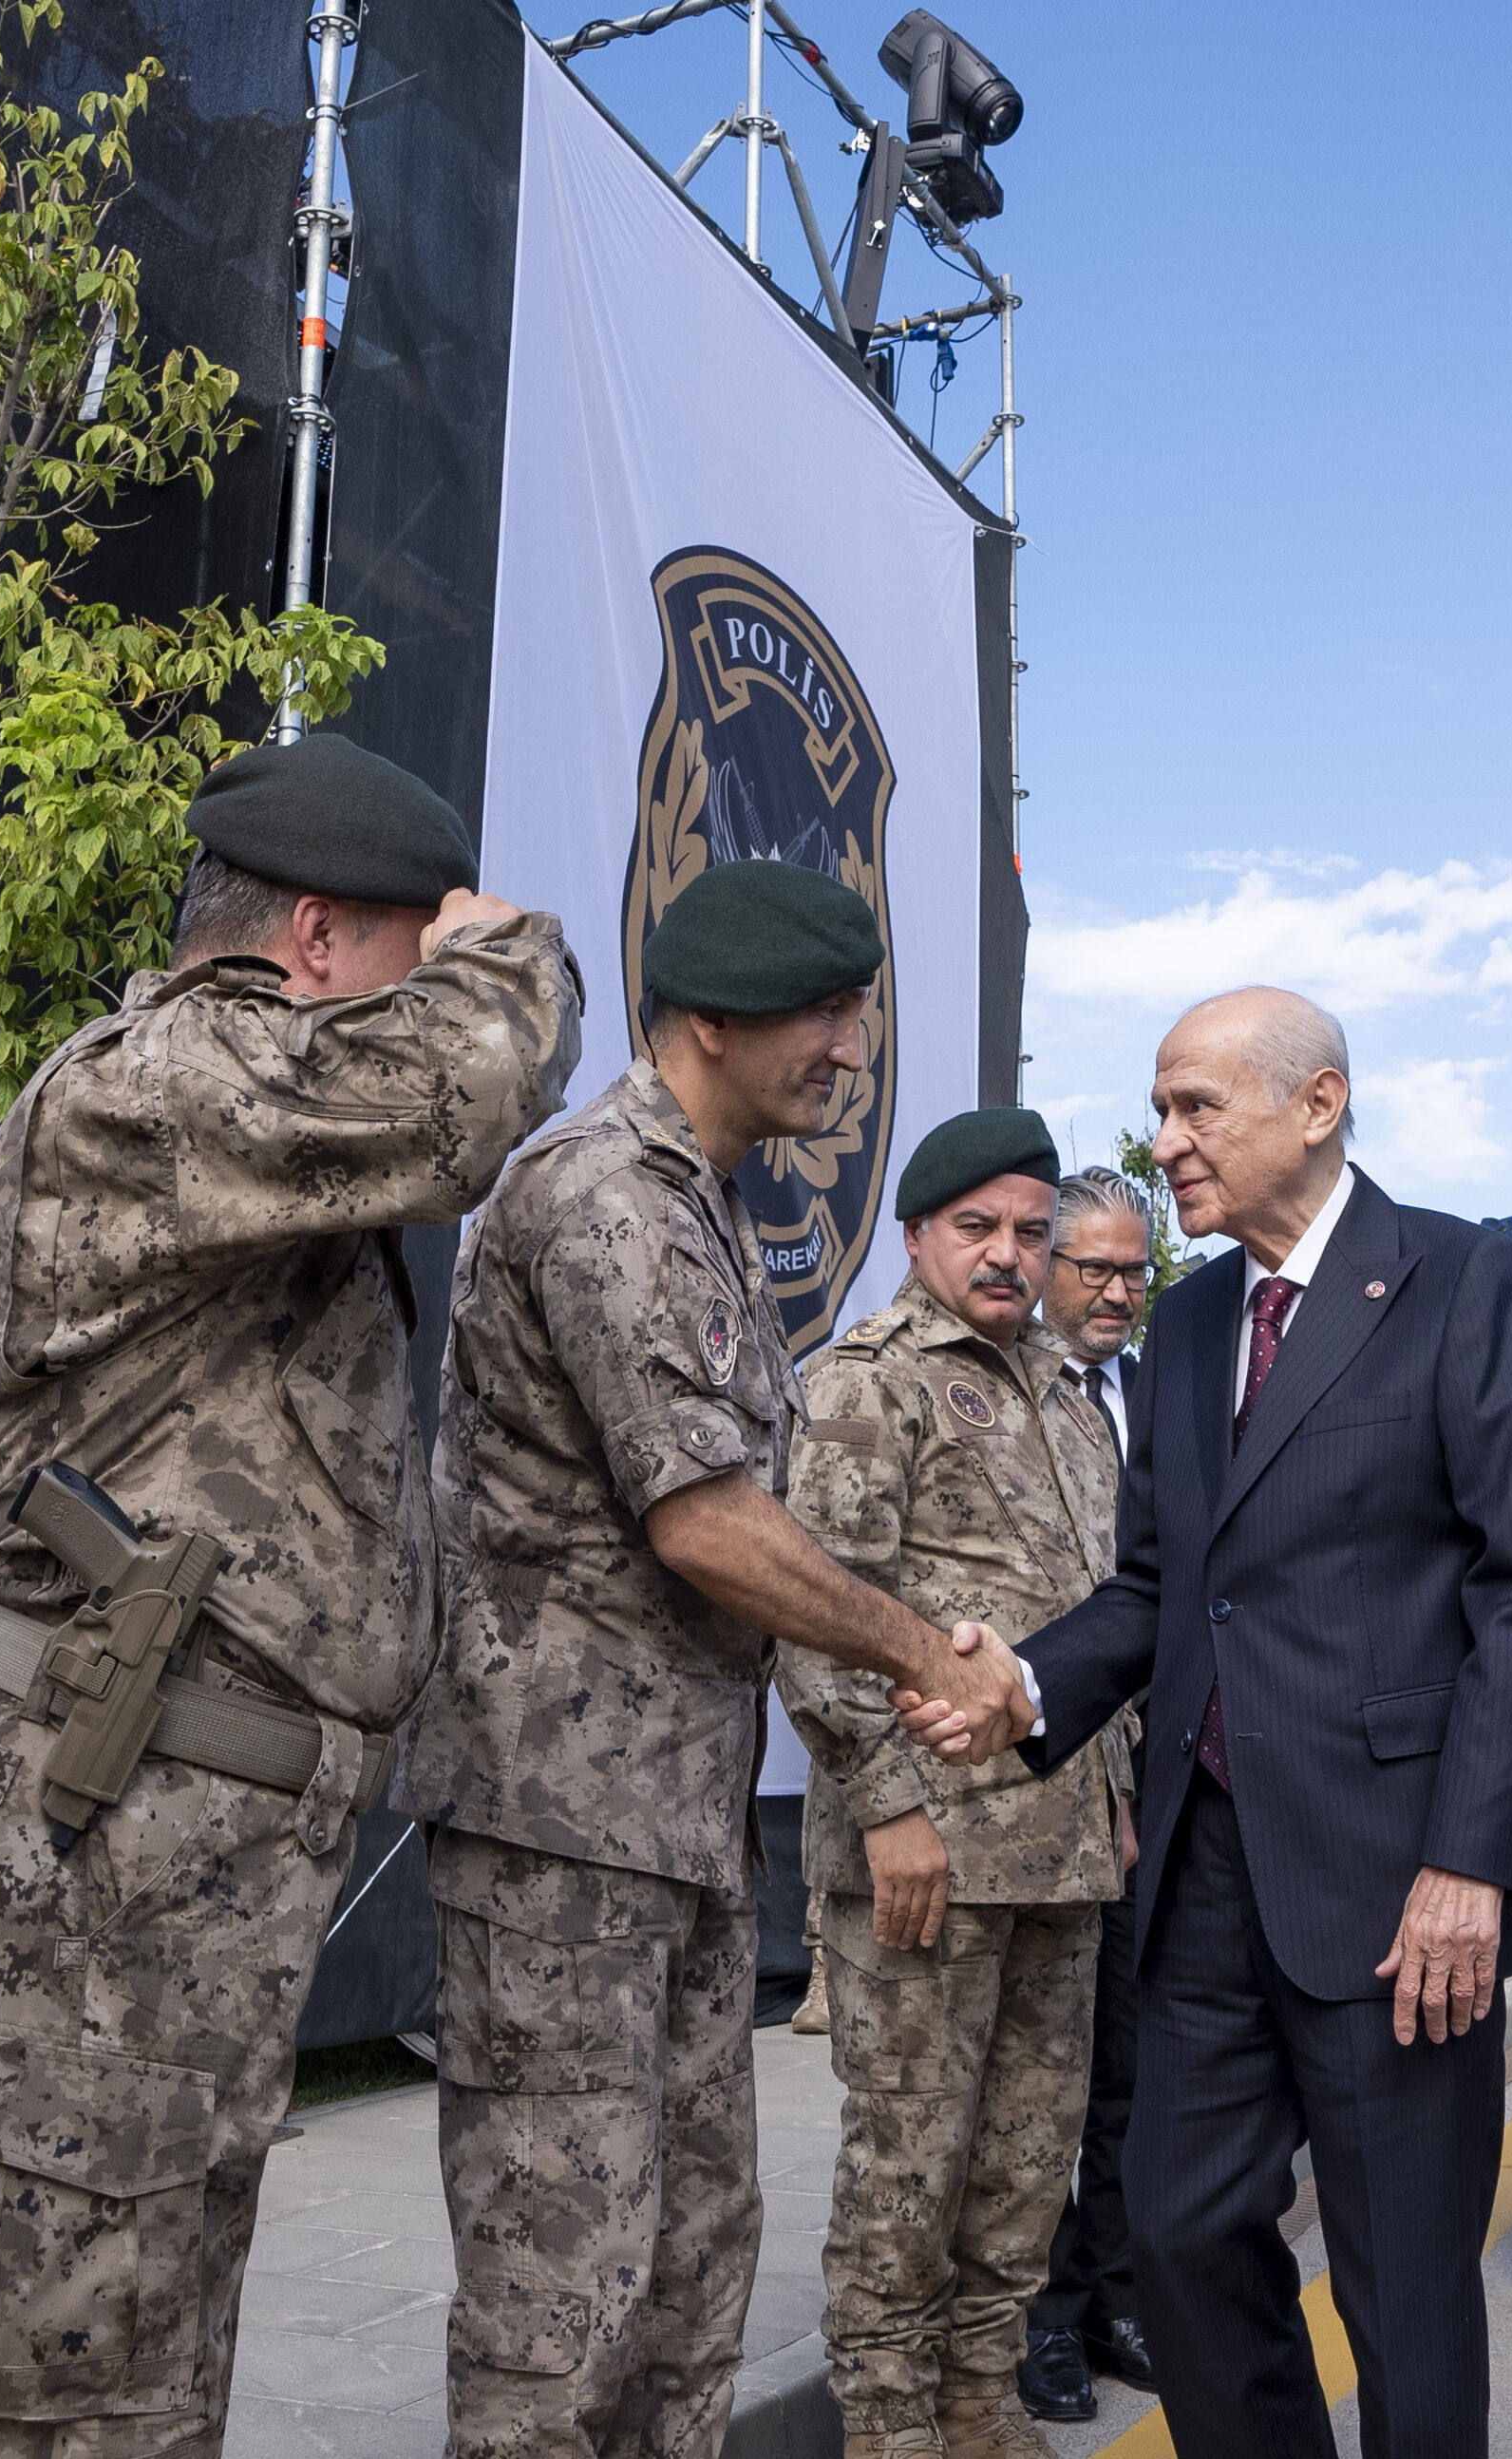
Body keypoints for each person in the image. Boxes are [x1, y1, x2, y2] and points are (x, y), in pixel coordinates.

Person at [0, 734, 576, 2455]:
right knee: (44, 2397)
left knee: (136, 2379)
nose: (425, 991)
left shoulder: (235, 1125)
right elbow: (460, 1091)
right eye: (405, 957)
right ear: (314, 939)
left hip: (168, 1854)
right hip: (86, 1841)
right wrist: (508, 943)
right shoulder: (155, 1078)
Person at [419, 858, 1036, 2459]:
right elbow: (705, 1520)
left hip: (663, 1824)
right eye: (822, 1008)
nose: (849, 1042)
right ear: (710, 1015)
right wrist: (922, 1652)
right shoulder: (606, 1194)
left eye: (854, 1004)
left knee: (688, 2278)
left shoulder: (695, 1199)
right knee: (561, 2307)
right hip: (560, 1828)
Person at [927, 985, 1512, 2459]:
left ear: (1317, 1103)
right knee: (1175, 2233)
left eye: (1192, 1107)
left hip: (1396, 1877)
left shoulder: (1466, 1283)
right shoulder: (1193, 1314)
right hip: (1207, 1874)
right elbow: (1164, 1588)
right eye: (1159, 1109)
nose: (1162, 1142)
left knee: (1401, 2283)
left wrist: (1469, 1861)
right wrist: (1024, 1681)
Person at [784, 1111, 1132, 2459]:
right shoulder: (869, 1380)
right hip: (926, 1854)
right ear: (918, 1233)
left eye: (1028, 1232)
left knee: (1022, 2165)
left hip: (1062, 1854)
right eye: (976, 1228)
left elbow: (1099, 1615)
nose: (1006, 1255)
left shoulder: (1065, 1392)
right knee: (908, 2164)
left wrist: (1120, 1795)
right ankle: (887, 2424)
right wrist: (887, 1809)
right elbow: (815, 1613)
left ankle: (982, 2405)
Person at [1023, 1167, 1164, 2424]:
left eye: (1136, 1270)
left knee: (1129, 2064)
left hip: (1143, 1787)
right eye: (1097, 1269)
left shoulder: (1160, 1395)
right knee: (1036, 2079)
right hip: (1026, 1786)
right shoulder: (1000, 1392)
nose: (1119, 1292)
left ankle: (1114, 2287)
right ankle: (1039, 2312)